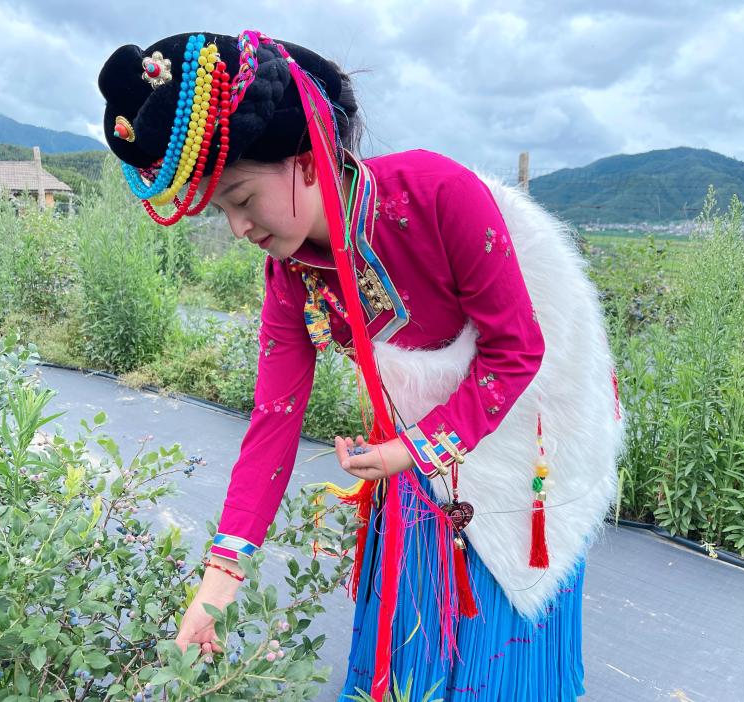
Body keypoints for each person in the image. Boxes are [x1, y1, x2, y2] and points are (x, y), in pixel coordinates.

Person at [98, 29, 625, 701]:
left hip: (519, 435)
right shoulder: (291, 275)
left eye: (241, 197)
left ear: (306, 161)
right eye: (222, 209)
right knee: (411, 647)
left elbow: (517, 349)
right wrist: (218, 586)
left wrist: (412, 450)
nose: (239, 228)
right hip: (420, 456)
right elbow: (273, 421)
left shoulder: (437, 195)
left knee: (502, 647)